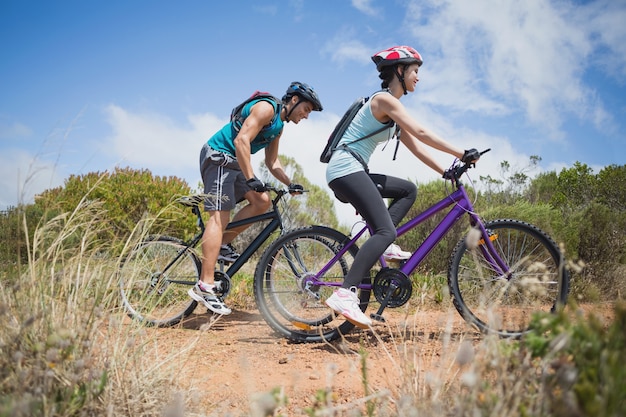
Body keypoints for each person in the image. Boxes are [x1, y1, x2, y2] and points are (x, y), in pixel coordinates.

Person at [324, 46, 480, 327]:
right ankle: (345, 293)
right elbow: (421, 131)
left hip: (352, 168)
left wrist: (445, 170)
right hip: (346, 168)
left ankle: (383, 245)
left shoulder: (391, 116)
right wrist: (461, 152)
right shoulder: (385, 100)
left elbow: (416, 146)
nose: (418, 77)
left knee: (408, 190)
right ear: (399, 71)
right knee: (385, 230)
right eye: (415, 71)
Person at [190, 82, 323, 315]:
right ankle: (205, 285)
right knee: (220, 217)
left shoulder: (278, 127)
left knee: (262, 202)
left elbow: (272, 162)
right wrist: (251, 177)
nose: (306, 116)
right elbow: (242, 140)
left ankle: (220, 244)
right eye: (306, 109)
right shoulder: (266, 109)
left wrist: (289, 183)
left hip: (234, 162)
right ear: (293, 100)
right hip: (219, 156)